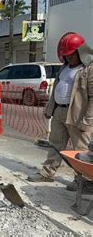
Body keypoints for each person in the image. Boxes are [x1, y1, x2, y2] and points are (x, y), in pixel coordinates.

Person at [28, 32, 93, 191]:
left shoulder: (89, 69)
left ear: (81, 52)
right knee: (55, 144)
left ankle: (83, 181)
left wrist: (88, 119)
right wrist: (50, 108)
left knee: (81, 150)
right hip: (59, 111)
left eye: (71, 55)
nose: (68, 58)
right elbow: (57, 88)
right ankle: (48, 172)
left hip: (78, 115)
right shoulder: (64, 67)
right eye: (66, 56)